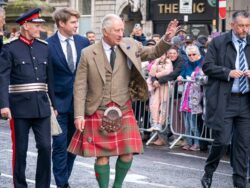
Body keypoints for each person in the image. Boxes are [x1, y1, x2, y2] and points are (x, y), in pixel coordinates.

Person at [68, 14, 178, 188]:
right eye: (117, 30)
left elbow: (153, 52)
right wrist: (79, 115)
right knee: (102, 155)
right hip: (98, 108)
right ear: (105, 32)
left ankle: (117, 186)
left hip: (123, 107)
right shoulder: (88, 53)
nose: (121, 33)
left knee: (128, 153)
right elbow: (80, 86)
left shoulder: (130, 44)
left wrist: (166, 39)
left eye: (122, 29)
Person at [0, 8, 56, 188]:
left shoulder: (44, 48)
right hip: (19, 108)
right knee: (21, 151)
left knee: (46, 148)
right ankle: (20, 185)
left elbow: (50, 79)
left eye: (40, 24)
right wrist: (4, 105)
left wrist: (54, 104)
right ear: (25, 25)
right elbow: (3, 77)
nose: (39, 28)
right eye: (36, 24)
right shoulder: (10, 48)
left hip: (42, 106)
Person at [201, 10, 250, 188]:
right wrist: (227, 72)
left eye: (247, 25)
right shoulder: (219, 42)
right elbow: (207, 66)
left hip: (245, 101)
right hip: (225, 100)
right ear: (232, 25)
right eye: (241, 26)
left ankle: (240, 182)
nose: (244, 29)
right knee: (221, 141)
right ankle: (209, 171)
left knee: (243, 145)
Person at [46, 8, 90, 188]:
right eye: (72, 22)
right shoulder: (48, 45)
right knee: (59, 147)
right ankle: (62, 184)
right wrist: (50, 104)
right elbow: (46, 77)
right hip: (58, 106)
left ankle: (63, 181)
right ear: (61, 23)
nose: (76, 25)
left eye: (76, 22)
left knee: (72, 148)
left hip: (79, 106)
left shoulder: (83, 41)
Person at [178, 45, 204, 151]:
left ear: (198, 54)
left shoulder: (203, 63)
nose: (192, 56)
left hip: (196, 97)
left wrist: (194, 78)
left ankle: (197, 144)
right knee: (187, 124)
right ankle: (189, 143)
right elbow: (182, 75)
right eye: (189, 55)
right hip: (186, 96)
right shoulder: (186, 63)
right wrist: (180, 77)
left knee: (194, 124)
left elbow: (203, 78)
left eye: (194, 54)